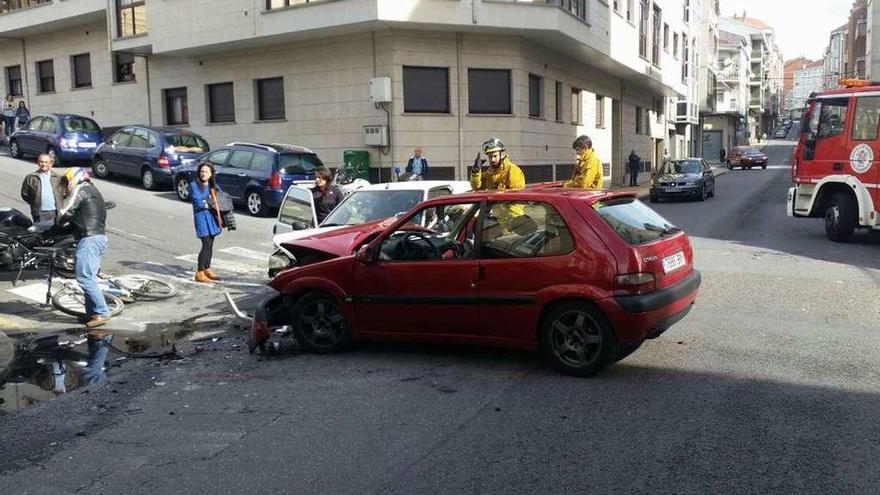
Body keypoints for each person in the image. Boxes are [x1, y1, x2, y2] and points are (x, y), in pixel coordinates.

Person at [57, 168, 110, 329]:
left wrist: (57, 222)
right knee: (89, 278)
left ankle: (102, 312)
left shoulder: (81, 189)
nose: (66, 187)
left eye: (66, 182)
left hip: (89, 239)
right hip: (97, 238)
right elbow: (80, 218)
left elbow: (66, 212)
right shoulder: (93, 190)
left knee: (85, 278)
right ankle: (91, 313)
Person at [471, 137, 526, 226]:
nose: (492, 160)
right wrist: (476, 172)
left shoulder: (513, 171)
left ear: (502, 154)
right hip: (495, 221)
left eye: (495, 156)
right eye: (490, 157)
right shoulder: (490, 173)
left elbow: (517, 200)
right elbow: (477, 188)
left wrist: (512, 222)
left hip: (511, 223)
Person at [189, 162, 223, 283]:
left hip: (212, 217)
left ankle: (207, 268)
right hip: (201, 218)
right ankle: (199, 272)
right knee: (206, 244)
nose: (203, 174)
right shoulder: (194, 185)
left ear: (211, 174)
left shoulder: (213, 185)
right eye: (202, 171)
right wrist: (210, 202)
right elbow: (198, 202)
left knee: (211, 243)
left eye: (206, 172)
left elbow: (220, 198)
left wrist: (211, 202)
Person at [20, 153, 63, 223]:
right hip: (39, 213)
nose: (44, 164)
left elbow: (63, 194)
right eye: (41, 162)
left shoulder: (58, 178)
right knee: (40, 232)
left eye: (46, 162)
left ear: (51, 164)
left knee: (55, 232)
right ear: (37, 163)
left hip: (55, 211)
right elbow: (24, 194)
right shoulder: (31, 178)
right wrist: (35, 203)